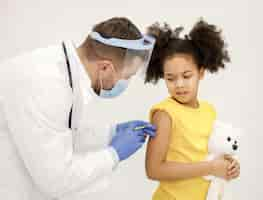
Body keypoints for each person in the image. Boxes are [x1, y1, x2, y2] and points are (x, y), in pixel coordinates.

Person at [0, 17, 156, 200]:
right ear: (105, 67)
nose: (123, 84)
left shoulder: (64, 73)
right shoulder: (47, 85)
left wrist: (110, 133)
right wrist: (113, 155)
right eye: (126, 77)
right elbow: (56, 180)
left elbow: (60, 133)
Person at [144, 19, 240, 200]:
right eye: (170, 78)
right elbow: (153, 169)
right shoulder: (165, 114)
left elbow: (209, 154)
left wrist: (229, 165)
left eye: (186, 76)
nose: (179, 85)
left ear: (201, 73)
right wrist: (211, 168)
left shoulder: (209, 110)